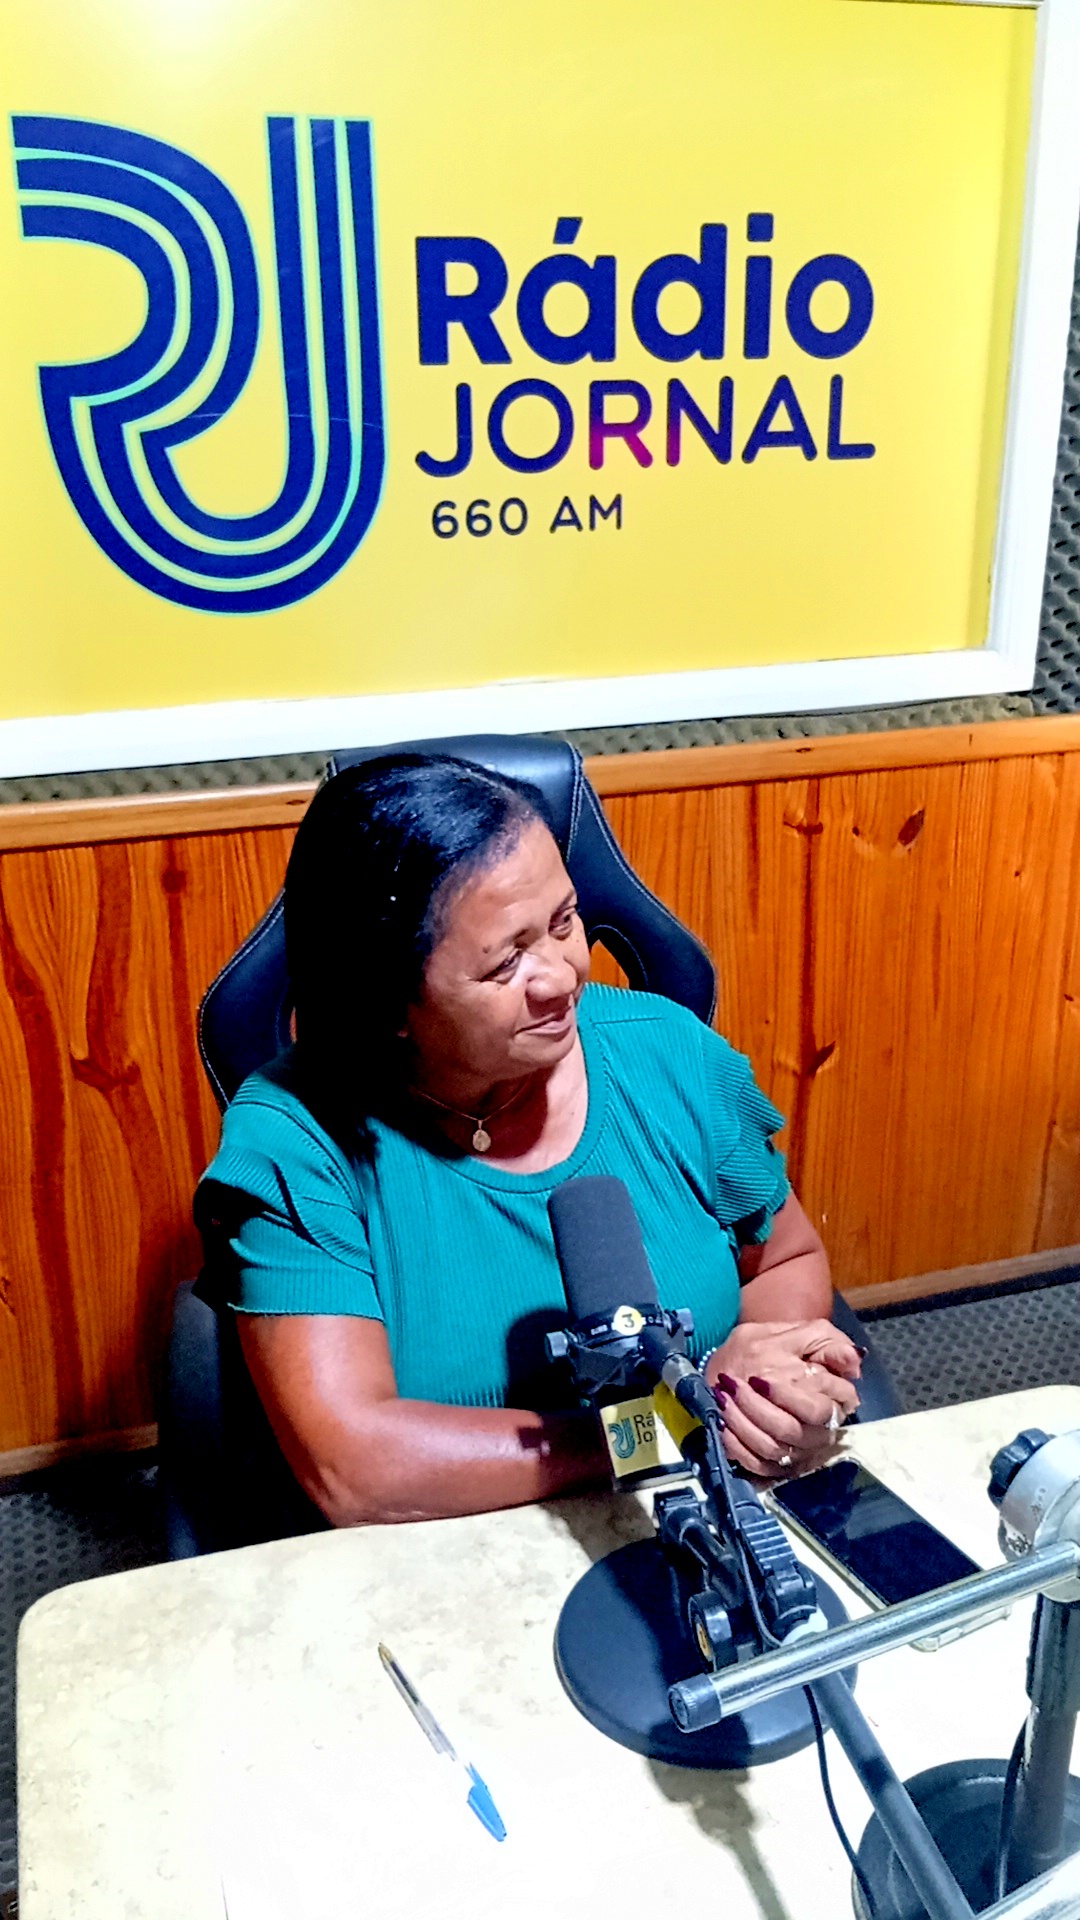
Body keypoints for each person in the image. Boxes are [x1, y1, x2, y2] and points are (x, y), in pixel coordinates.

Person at [196, 754, 862, 1528]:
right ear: (387, 1001)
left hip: (713, 1511)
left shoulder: (671, 1052)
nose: (563, 975)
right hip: (448, 1550)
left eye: (564, 921)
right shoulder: (293, 1140)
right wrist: (670, 1425)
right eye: (506, 961)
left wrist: (768, 1386)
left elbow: (783, 1259)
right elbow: (357, 1471)